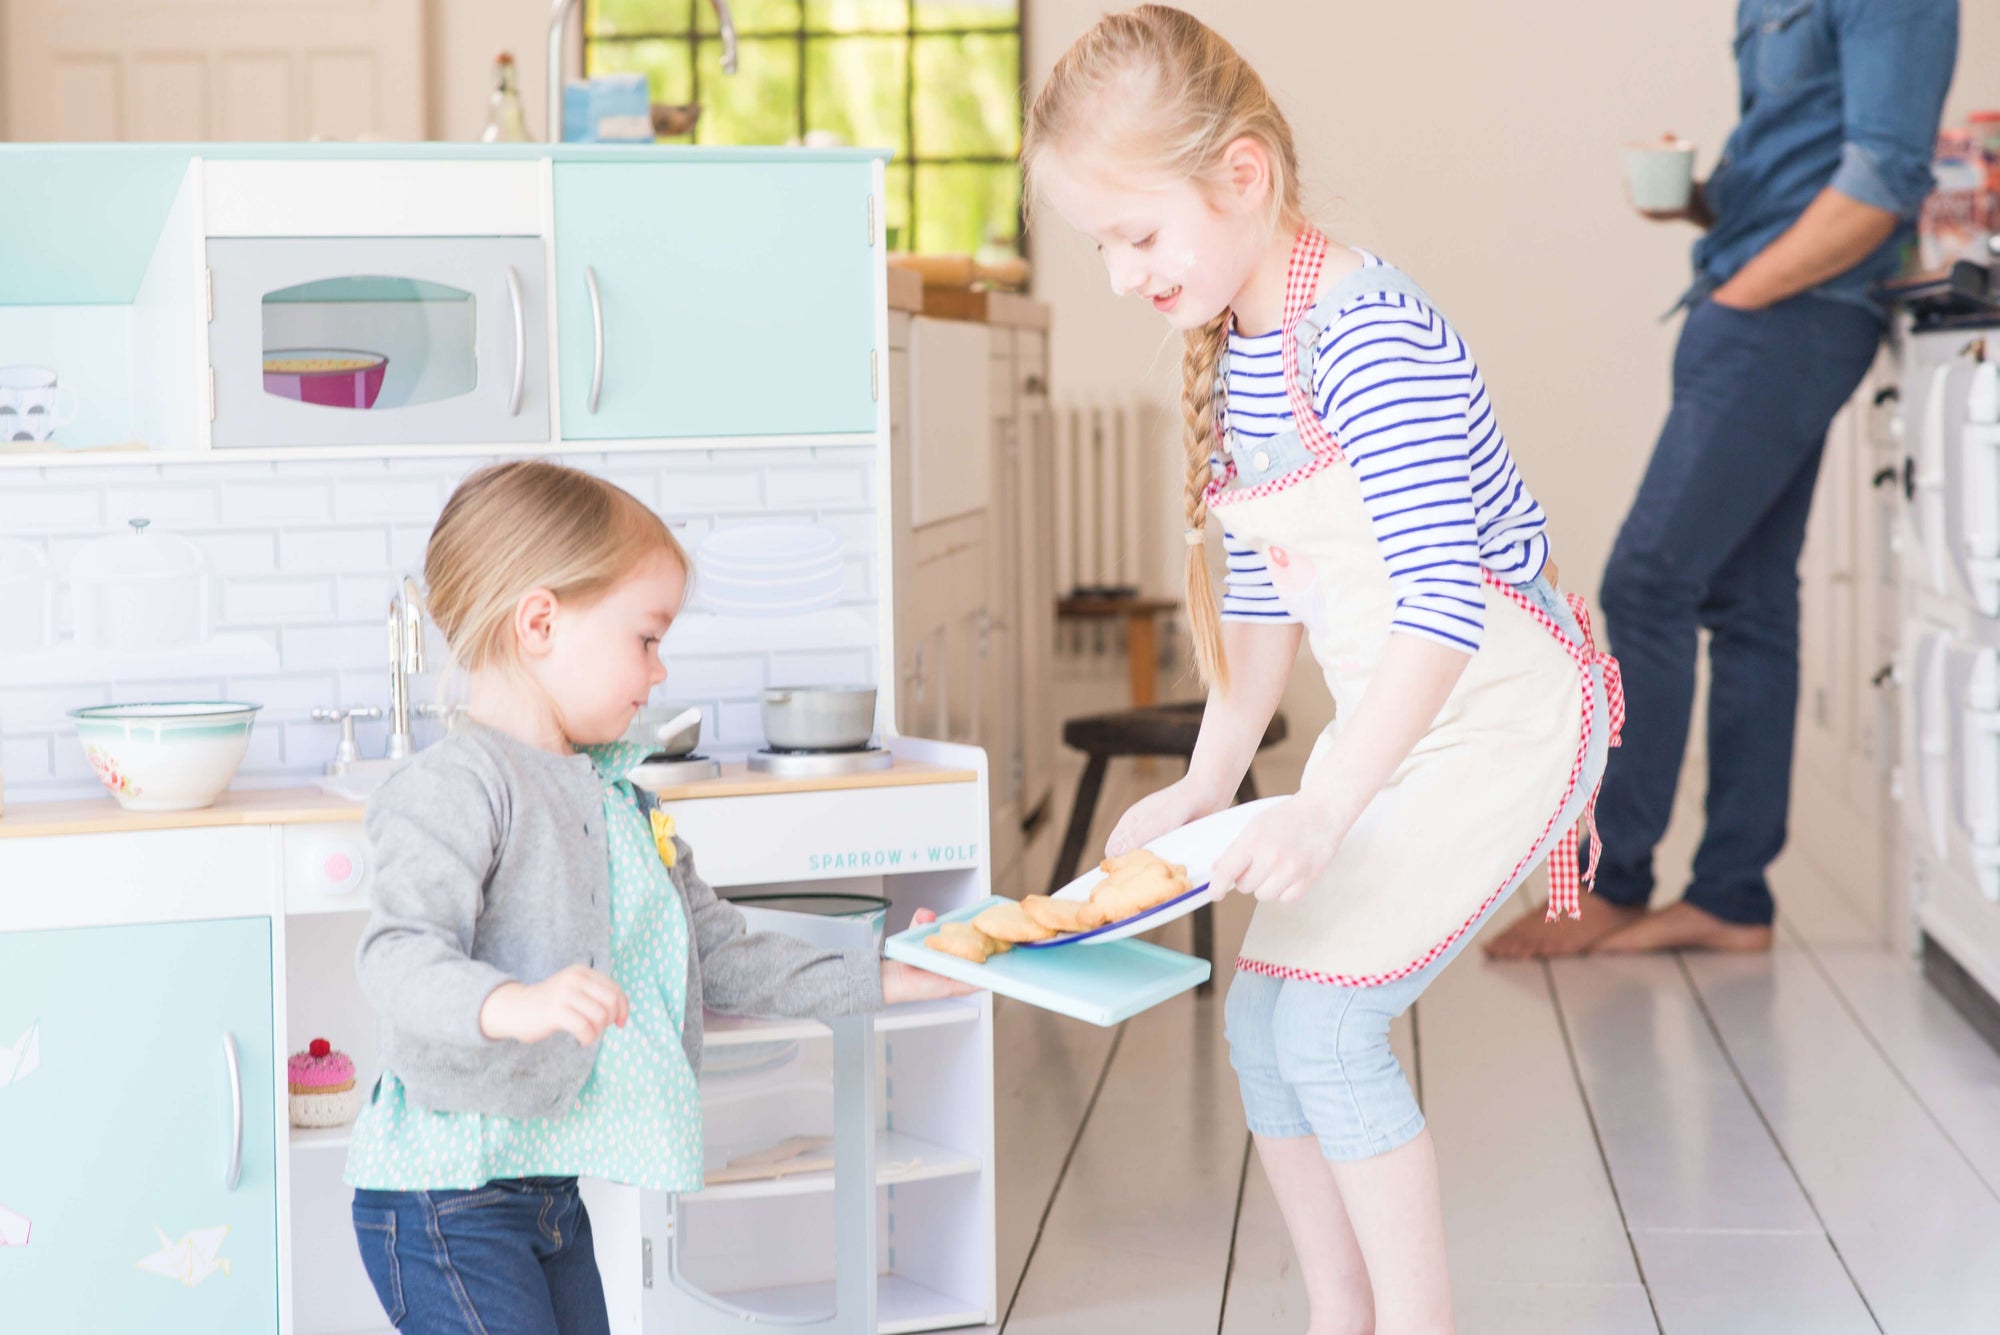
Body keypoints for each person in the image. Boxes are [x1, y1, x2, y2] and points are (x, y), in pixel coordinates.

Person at [1024, 8, 1618, 1329]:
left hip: (1505, 715)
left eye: (1137, 234)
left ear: (1244, 176)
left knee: (1330, 1027)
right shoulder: (1243, 342)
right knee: (1264, 1025)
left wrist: (1325, 802)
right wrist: (1206, 783)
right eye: (1099, 242)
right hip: (1410, 727)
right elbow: (1256, 601)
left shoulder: (1366, 334)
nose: (1121, 273)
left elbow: (1442, 610)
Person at [341, 460, 968, 1334]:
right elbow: (398, 956)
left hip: (540, 1191)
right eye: (645, 637)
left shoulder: (619, 798)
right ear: (540, 622)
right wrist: (512, 1002)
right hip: (446, 1194)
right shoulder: (460, 785)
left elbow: (713, 952)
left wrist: (886, 972)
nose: (660, 667)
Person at [1488, 0, 1959, 959]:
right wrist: (1702, 201)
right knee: (1746, 597)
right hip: (1752, 301)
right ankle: (1731, 897)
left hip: (1786, 314)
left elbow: (1883, 177)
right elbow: (1803, 160)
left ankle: (1612, 884)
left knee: (1646, 581)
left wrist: (1743, 295)